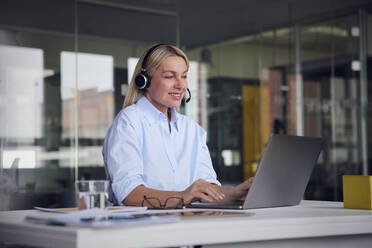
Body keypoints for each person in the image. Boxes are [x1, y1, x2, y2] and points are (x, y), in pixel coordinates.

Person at [103, 44, 253, 207]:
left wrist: (236, 192)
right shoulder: (129, 121)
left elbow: (208, 192)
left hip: (186, 227)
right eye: (169, 76)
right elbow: (128, 193)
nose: (180, 85)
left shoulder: (191, 129)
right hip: (142, 229)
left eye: (184, 76)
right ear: (144, 81)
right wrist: (182, 196)